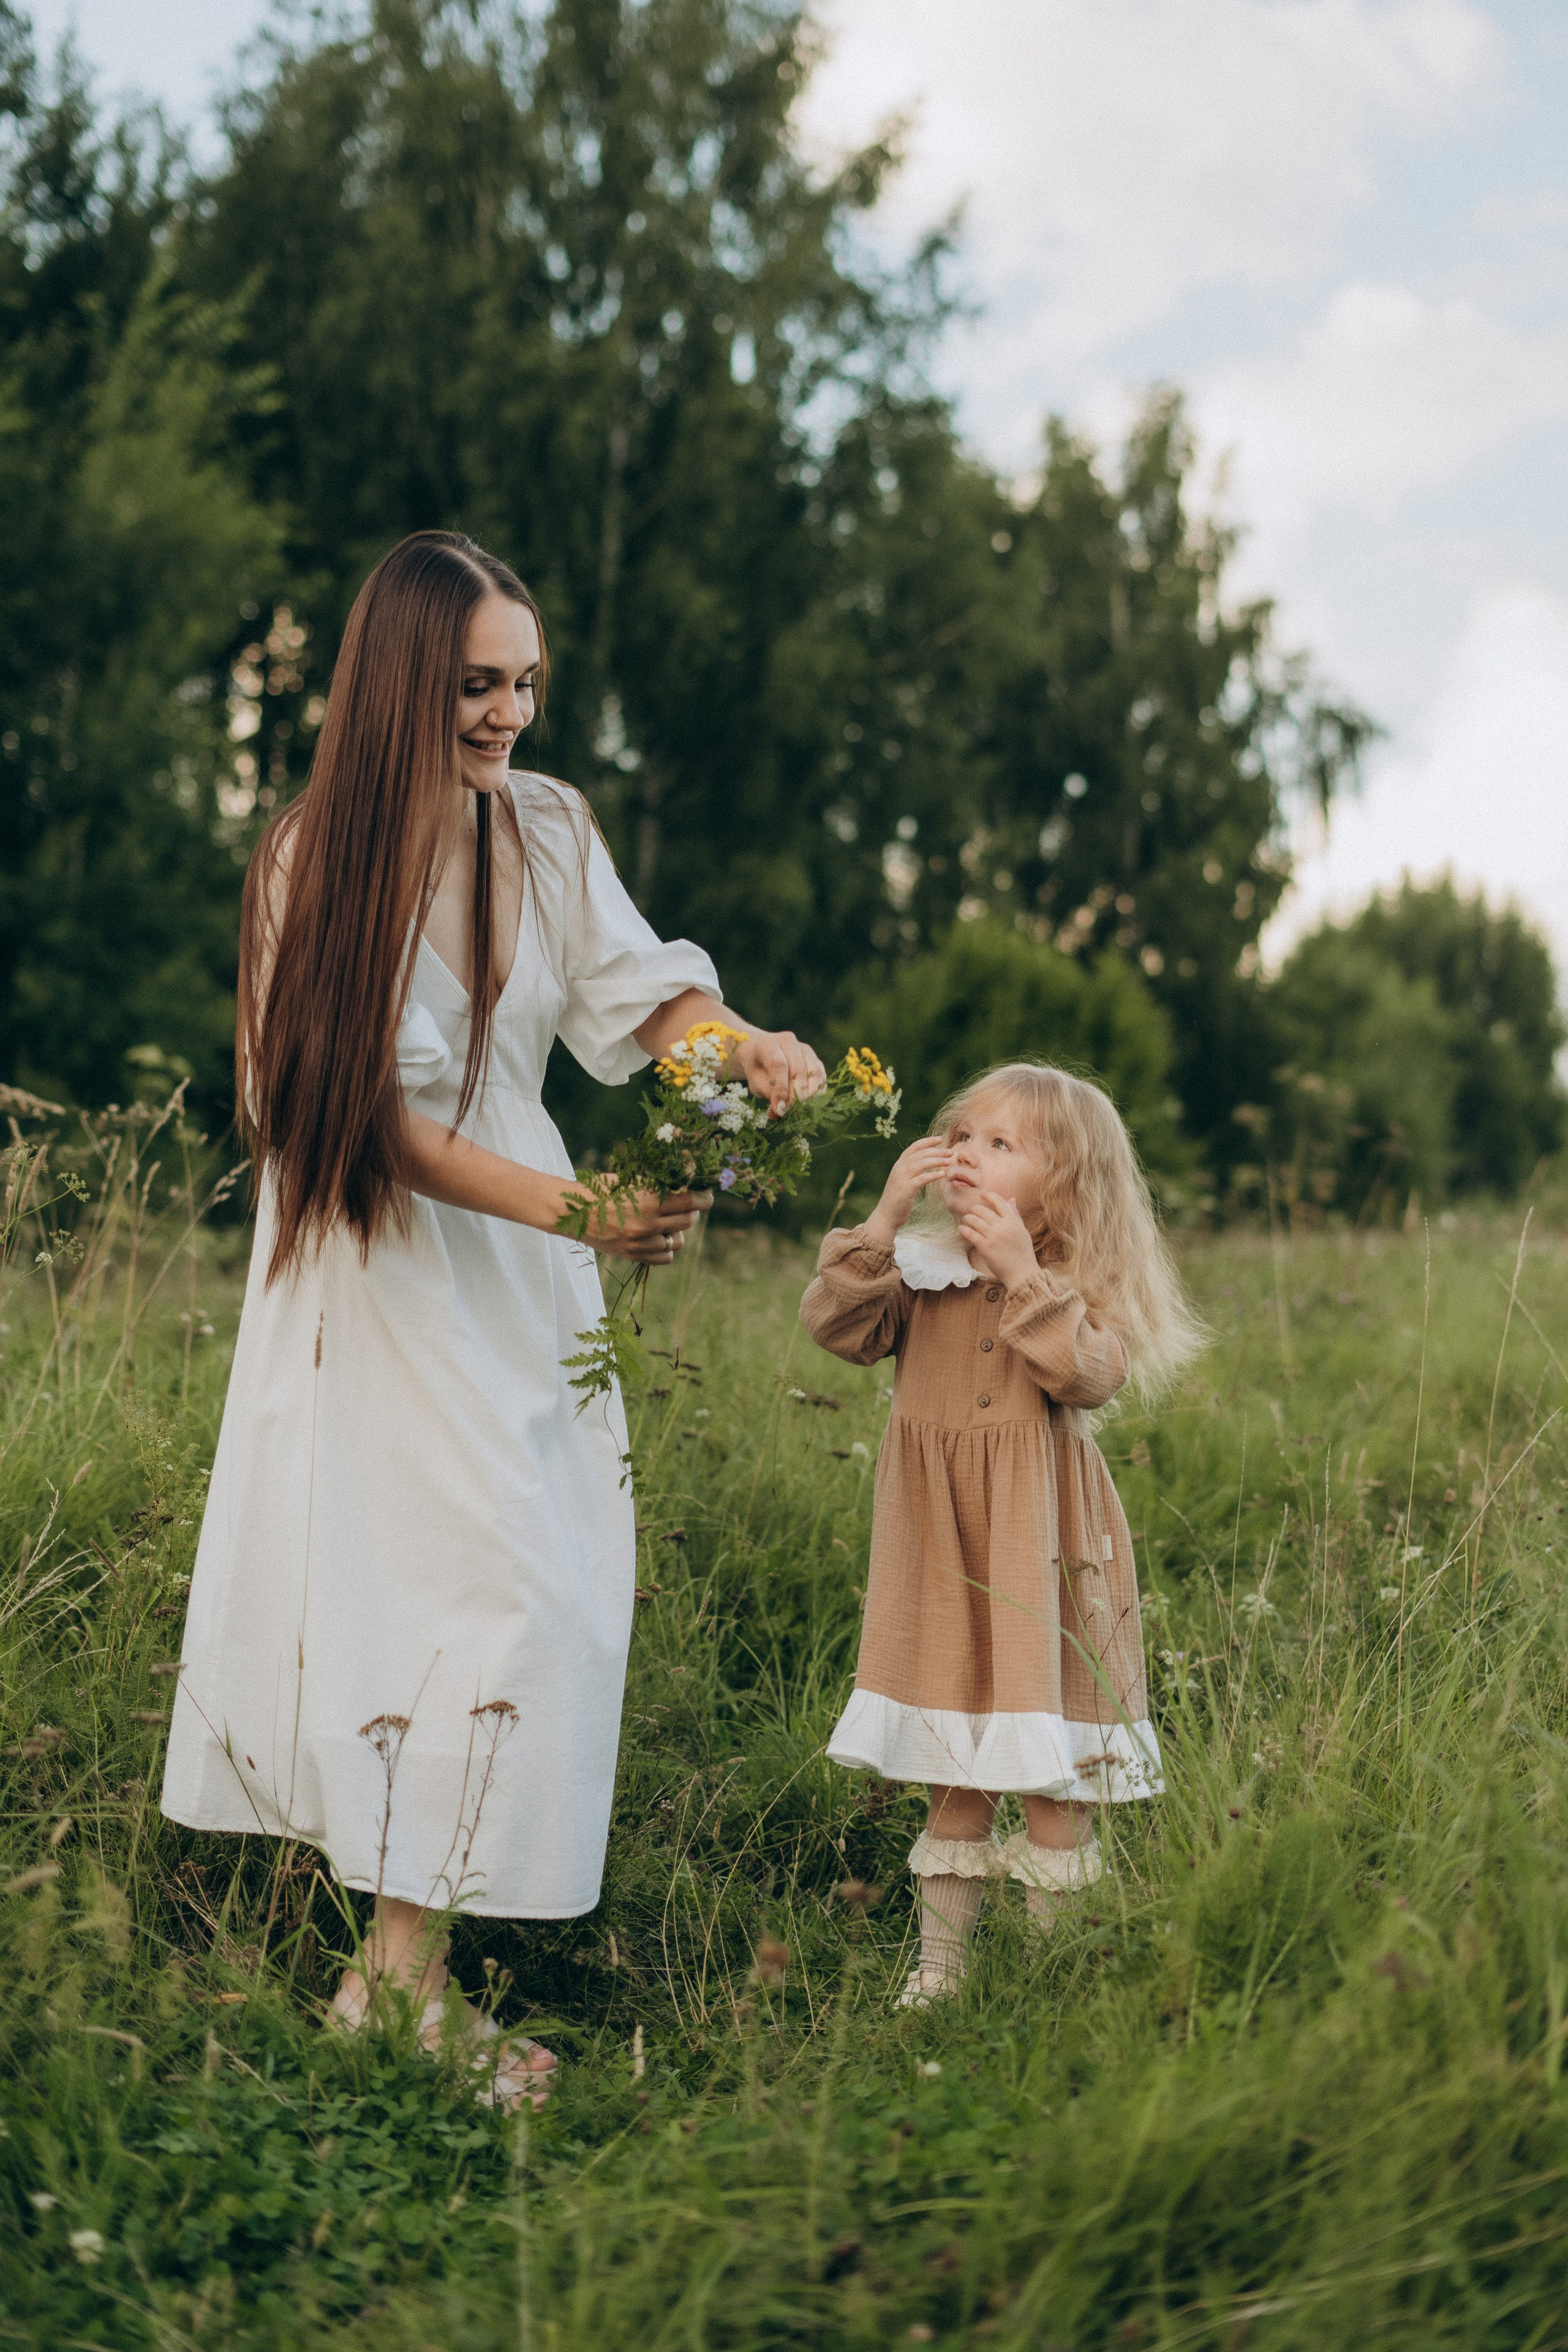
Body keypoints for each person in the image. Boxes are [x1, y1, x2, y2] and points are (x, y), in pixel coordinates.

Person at [161, 530, 823, 2106]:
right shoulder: (312, 859)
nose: (506, 714)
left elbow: (634, 995)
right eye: (475, 685)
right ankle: (393, 1987)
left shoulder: (541, 824)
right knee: (463, 1581)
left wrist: (740, 1044)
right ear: (399, 684)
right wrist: (575, 1210)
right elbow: (353, 1118)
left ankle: (397, 1965)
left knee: (553, 1577)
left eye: (524, 682)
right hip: (388, 1259)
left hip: (521, 1251)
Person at [799, 1062, 1203, 2006]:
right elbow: (835, 1327)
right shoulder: (918, 1268)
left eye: (1001, 1144)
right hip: (941, 1551)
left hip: (1042, 1550)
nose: (969, 1154)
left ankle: (1051, 1971)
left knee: (1049, 1770)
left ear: (1059, 1186)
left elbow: (1089, 1375)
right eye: (964, 1135)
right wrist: (885, 1220)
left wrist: (1023, 1273)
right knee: (952, 1763)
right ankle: (940, 1968)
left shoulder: (1061, 1283)